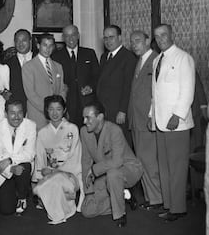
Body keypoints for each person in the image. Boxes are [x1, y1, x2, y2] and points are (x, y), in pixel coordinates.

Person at [150, 23, 195, 222]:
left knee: (177, 166)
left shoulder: (183, 58)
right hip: (160, 121)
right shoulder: (157, 60)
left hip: (176, 122)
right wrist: (152, 114)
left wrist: (177, 115)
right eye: (157, 37)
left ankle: (178, 208)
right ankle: (169, 205)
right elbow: (155, 94)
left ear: (171, 34)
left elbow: (188, 90)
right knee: (165, 166)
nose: (160, 39)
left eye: (163, 35)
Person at [80, 102, 143, 228]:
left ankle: (120, 214)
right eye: (83, 117)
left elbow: (117, 162)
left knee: (114, 174)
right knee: (87, 211)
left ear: (100, 117)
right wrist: (89, 192)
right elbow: (86, 161)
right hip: (106, 175)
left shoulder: (114, 130)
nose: (84, 121)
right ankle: (123, 196)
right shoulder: (84, 132)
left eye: (88, 117)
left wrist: (94, 169)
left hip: (128, 169)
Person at [33, 95, 83, 224]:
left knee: (56, 182)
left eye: (58, 109)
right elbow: (40, 158)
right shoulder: (43, 132)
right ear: (46, 111)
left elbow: (75, 156)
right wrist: (41, 175)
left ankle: (61, 206)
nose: (55, 113)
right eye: (51, 109)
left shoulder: (72, 129)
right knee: (44, 185)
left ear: (64, 110)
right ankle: (55, 202)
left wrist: (58, 171)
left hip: (69, 173)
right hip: (50, 172)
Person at [128, 31, 162, 210]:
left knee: (149, 162)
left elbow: (158, 94)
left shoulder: (156, 60)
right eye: (132, 42)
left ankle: (157, 199)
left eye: (138, 41)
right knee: (142, 161)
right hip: (136, 119)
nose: (134, 45)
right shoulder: (139, 61)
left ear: (148, 41)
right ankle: (151, 198)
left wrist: (152, 116)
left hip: (147, 121)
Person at [0, 99, 36, 215]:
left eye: (20, 112)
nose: (16, 117)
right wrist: (10, 169)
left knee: (25, 166)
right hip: (4, 173)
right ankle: (13, 191)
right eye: (12, 113)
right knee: (6, 210)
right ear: (5, 114)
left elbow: (30, 154)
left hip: (21, 168)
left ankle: (22, 196)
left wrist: (10, 160)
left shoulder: (30, 126)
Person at [97, 25, 137, 148]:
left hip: (118, 111)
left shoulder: (128, 57)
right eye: (105, 38)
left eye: (111, 37)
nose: (108, 41)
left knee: (121, 144)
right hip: (105, 109)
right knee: (108, 144)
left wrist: (123, 111)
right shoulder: (104, 57)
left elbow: (128, 86)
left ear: (120, 38)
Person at [52, 25, 100, 127]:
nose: (71, 39)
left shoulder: (89, 53)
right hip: (68, 104)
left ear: (78, 36)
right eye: (67, 36)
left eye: (73, 35)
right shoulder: (56, 56)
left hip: (87, 103)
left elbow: (97, 76)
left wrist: (91, 87)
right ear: (63, 38)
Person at [22, 33, 67, 130]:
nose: (48, 49)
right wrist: (49, 110)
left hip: (56, 117)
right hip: (38, 115)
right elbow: (31, 94)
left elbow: (62, 90)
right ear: (38, 46)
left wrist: (59, 109)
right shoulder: (28, 67)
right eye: (45, 45)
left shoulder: (58, 66)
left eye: (51, 46)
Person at [5, 29, 33, 115]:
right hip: (17, 110)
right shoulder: (7, 64)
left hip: (37, 108)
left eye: (24, 40)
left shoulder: (40, 60)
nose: (20, 44)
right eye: (17, 41)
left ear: (30, 41)